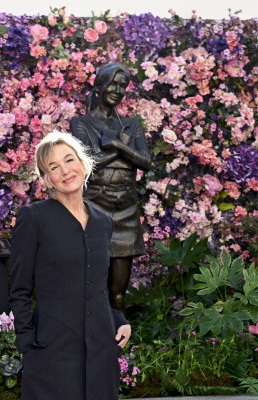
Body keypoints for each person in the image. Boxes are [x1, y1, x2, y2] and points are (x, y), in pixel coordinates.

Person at [9, 130, 132, 399]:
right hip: (52, 351)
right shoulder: (34, 218)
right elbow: (19, 289)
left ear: (83, 162)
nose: (65, 171)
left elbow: (97, 287)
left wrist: (118, 319)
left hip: (101, 350)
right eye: (54, 167)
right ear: (46, 178)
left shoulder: (103, 223)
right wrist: (28, 344)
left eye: (69, 160)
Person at [70, 63, 152, 313]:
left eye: (122, 86)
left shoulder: (131, 125)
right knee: (91, 292)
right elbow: (88, 164)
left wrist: (116, 145)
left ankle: (117, 348)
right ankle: (89, 343)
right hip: (93, 210)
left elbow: (146, 162)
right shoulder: (80, 123)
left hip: (125, 211)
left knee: (117, 296)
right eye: (113, 84)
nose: (118, 90)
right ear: (99, 86)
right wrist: (128, 156)